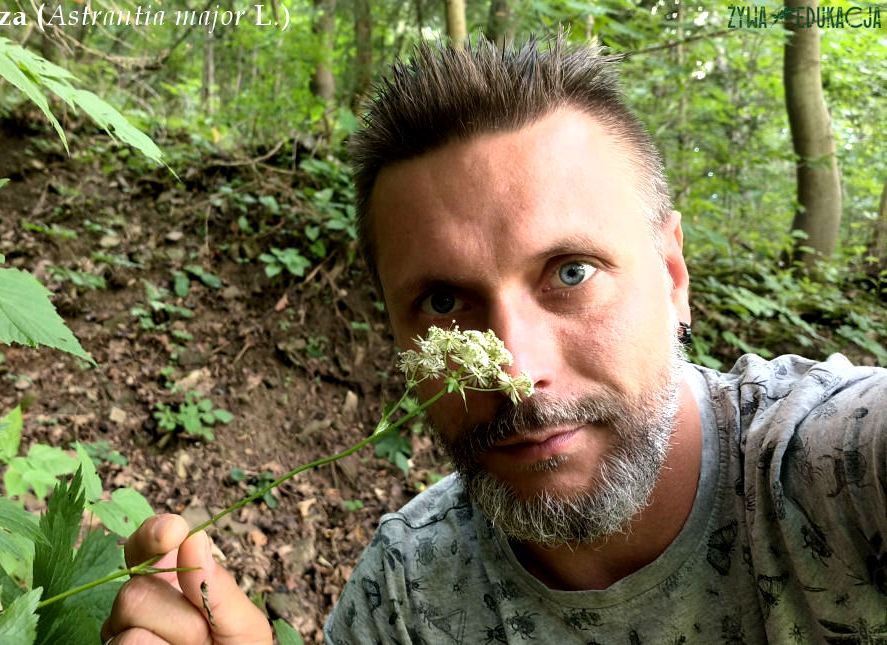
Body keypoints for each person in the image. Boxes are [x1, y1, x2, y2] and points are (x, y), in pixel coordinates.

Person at [101, 35, 887, 644]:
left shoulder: (833, 473)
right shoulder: (404, 590)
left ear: (672, 274)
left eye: (571, 272)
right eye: (442, 299)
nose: (512, 370)